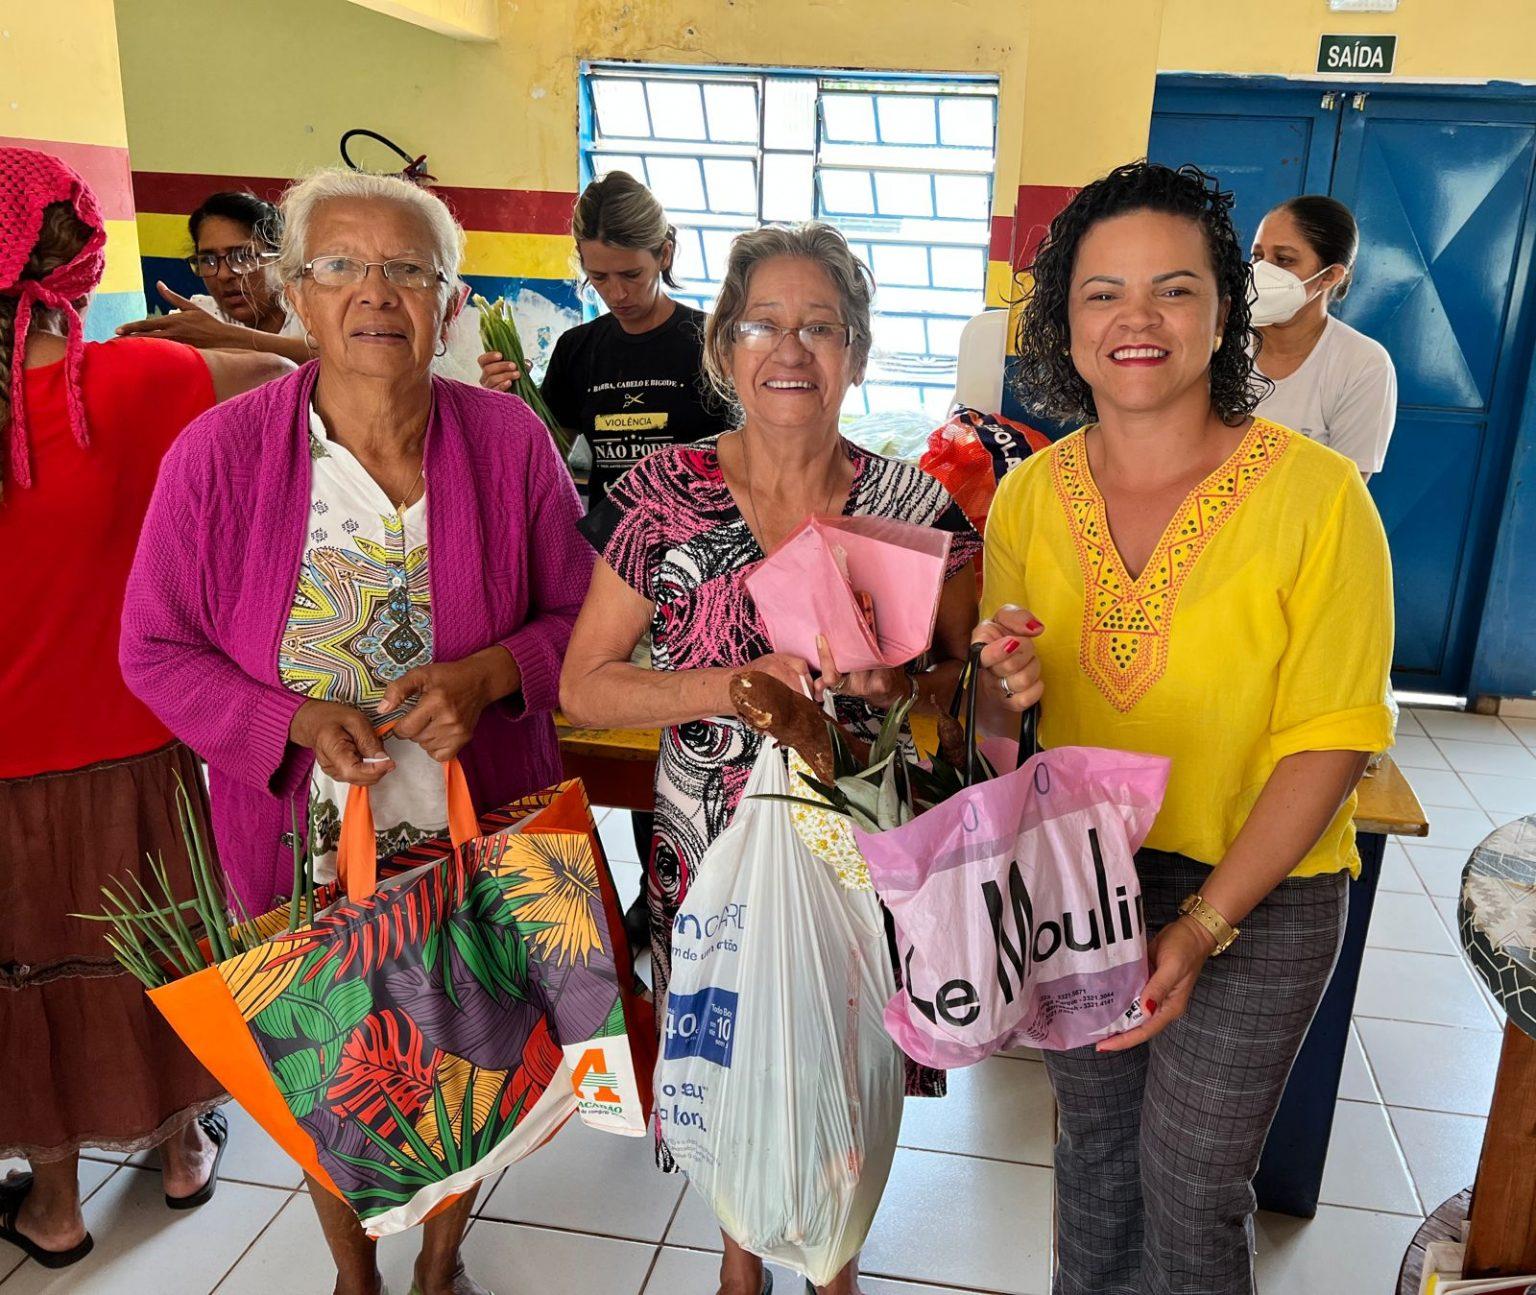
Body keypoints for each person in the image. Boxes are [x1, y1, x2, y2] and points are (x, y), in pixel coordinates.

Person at [120, 167, 594, 1295]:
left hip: (476, 818)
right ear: (297, 290)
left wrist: (492, 674)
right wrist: (285, 717)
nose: (375, 293)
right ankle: (356, 1273)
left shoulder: (510, 443)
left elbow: (582, 616)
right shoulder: (219, 456)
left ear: (448, 296)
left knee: (477, 1049)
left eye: (407, 269)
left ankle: (440, 1259)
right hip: (298, 836)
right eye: (340, 265)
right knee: (323, 1062)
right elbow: (153, 647)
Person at [976, 161, 1394, 1295]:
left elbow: (1334, 737)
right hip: (1081, 878)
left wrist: (1203, 926)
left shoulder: (1319, 498)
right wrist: (997, 688)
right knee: (1094, 1157)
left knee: (1193, 1178)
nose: (1137, 320)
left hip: (1260, 889)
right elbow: (997, 734)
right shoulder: (1029, 494)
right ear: (1067, 319)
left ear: (1226, 310)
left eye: (1174, 288)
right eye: (1102, 292)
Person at [559, 222, 980, 1295]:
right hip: (710, 850)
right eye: (763, 324)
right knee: (730, 1053)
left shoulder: (913, 507)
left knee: (839, 1053)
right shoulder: (660, 495)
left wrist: (907, 685)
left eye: (821, 326)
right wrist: (735, 687)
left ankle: (833, 1254)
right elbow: (584, 683)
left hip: (855, 845)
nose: (791, 349)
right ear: (723, 346)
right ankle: (740, 1255)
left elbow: (952, 689)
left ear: (858, 349)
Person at [0, 148, 288, 1269]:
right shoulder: (140, 384)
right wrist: (230, 334)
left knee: (28, 968)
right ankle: (179, 1153)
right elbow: (331, 372)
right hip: (138, 736)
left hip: (9, 764)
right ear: (80, 259)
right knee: (160, 948)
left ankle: (55, 1204)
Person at [481, 170, 730, 946]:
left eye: (632, 272)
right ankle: (650, 897)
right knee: (616, 729)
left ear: (666, 252)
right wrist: (515, 395)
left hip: (700, 571)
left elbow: (743, 455)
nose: (617, 291)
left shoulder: (707, 342)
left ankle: (690, 896)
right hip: (614, 572)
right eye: (598, 275)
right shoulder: (581, 349)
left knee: (684, 739)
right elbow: (560, 454)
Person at [1250, 194, 1397, 478]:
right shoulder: (1222, 343)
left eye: (1283, 260)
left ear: (1329, 276)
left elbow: (1344, 491)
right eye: (1257, 256)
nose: (1262, 271)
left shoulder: (1363, 364)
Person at [115, 190, 310, 363]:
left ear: (282, 258)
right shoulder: (202, 318)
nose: (224, 275)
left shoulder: (312, 313)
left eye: (243, 257)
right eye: (208, 260)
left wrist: (226, 337)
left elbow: (330, 357)